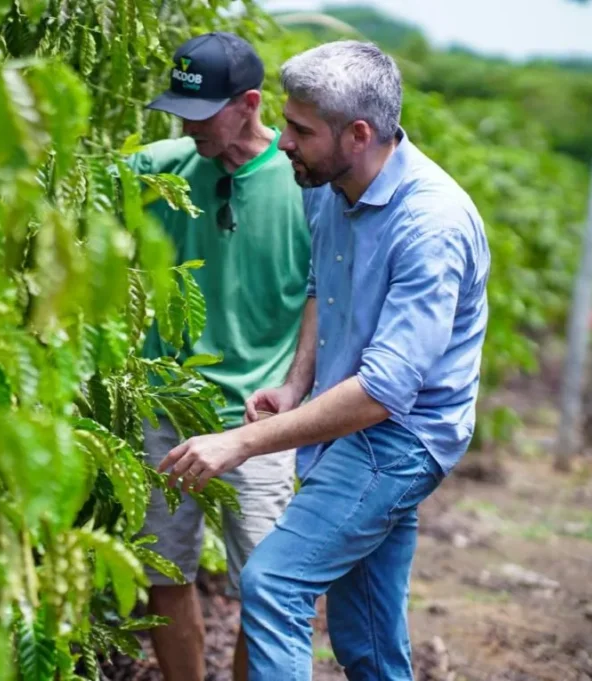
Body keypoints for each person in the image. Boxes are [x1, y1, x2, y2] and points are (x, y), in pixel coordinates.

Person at [157, 40, 491, 680]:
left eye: (300, 130)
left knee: (274, 586)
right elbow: (320, 284)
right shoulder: (328, 183)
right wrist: (296, 383)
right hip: (353, 427)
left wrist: (241, 442)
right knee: (364, 633)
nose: (281, 142)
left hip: (398, 439)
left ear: (358, 133)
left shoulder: (431, 226)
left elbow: (382, 393)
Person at [124, 31, 311, 681]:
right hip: (165, 404)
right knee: (163, 571)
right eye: (178, 109)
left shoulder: (305, 184)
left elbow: (323, 295)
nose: (185, 124)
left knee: (267, 588)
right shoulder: (163, 168)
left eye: (199, 113)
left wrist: (293, 388)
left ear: (249, 104)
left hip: (258, 421)